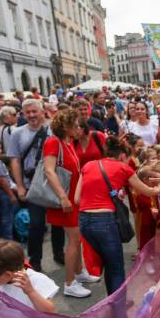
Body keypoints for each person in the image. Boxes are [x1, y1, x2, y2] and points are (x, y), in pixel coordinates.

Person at [75, 136, 160, 294]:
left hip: (84, 221)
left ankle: (113, 302)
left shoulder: (88, 165)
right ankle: (118, 309)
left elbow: (76, 198)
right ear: (123, 155)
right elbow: (148, 191)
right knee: (115, 268)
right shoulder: (123, 168)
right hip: (105, 221)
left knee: (107, 263)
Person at [44, 109, 98, 298]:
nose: (78, 128)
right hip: (64, 200)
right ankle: (69, 283)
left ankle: (79, 272)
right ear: (66, 126)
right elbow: (49, 171)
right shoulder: (53, 142)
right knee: (74, 240)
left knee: (77, 238)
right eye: (75, 125)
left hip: (71, 198)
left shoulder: (68, 143)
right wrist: (62, 197)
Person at [7, 99, 65, 271]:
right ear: (23, 114)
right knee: (36, 224)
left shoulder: (54, 129)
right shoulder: (17, 133)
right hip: (31, 184)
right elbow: (15, 161)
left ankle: (58, 253)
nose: (31, 115)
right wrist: (19, 186)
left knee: (58, 222)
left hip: (54, 182)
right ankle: (35, 259)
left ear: (42, 112)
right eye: (28, 112)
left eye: (34, 111)